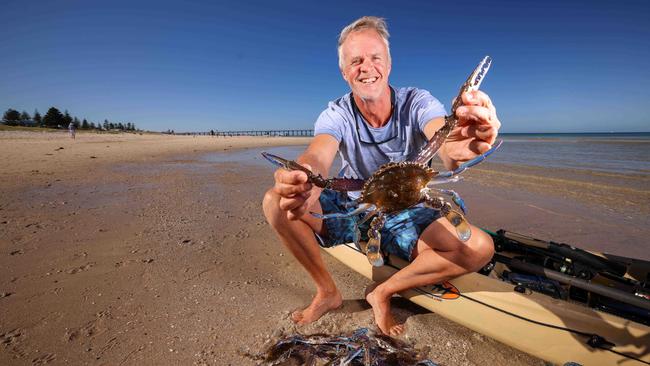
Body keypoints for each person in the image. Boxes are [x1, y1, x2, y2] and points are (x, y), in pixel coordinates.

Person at [263, 16, 501, 336]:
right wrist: (303, 177)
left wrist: (460, 147)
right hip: (359, 206)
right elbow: (319, 154)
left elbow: (442, 138)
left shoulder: (417, 102)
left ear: (388, 64)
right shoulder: (337, 114)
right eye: (356, 60)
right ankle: (327, 292)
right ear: (344, 71)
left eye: (375, 57)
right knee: (275, 201)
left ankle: (384, 290)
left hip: (412, 206)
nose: (367, 67)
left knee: (479, 248)